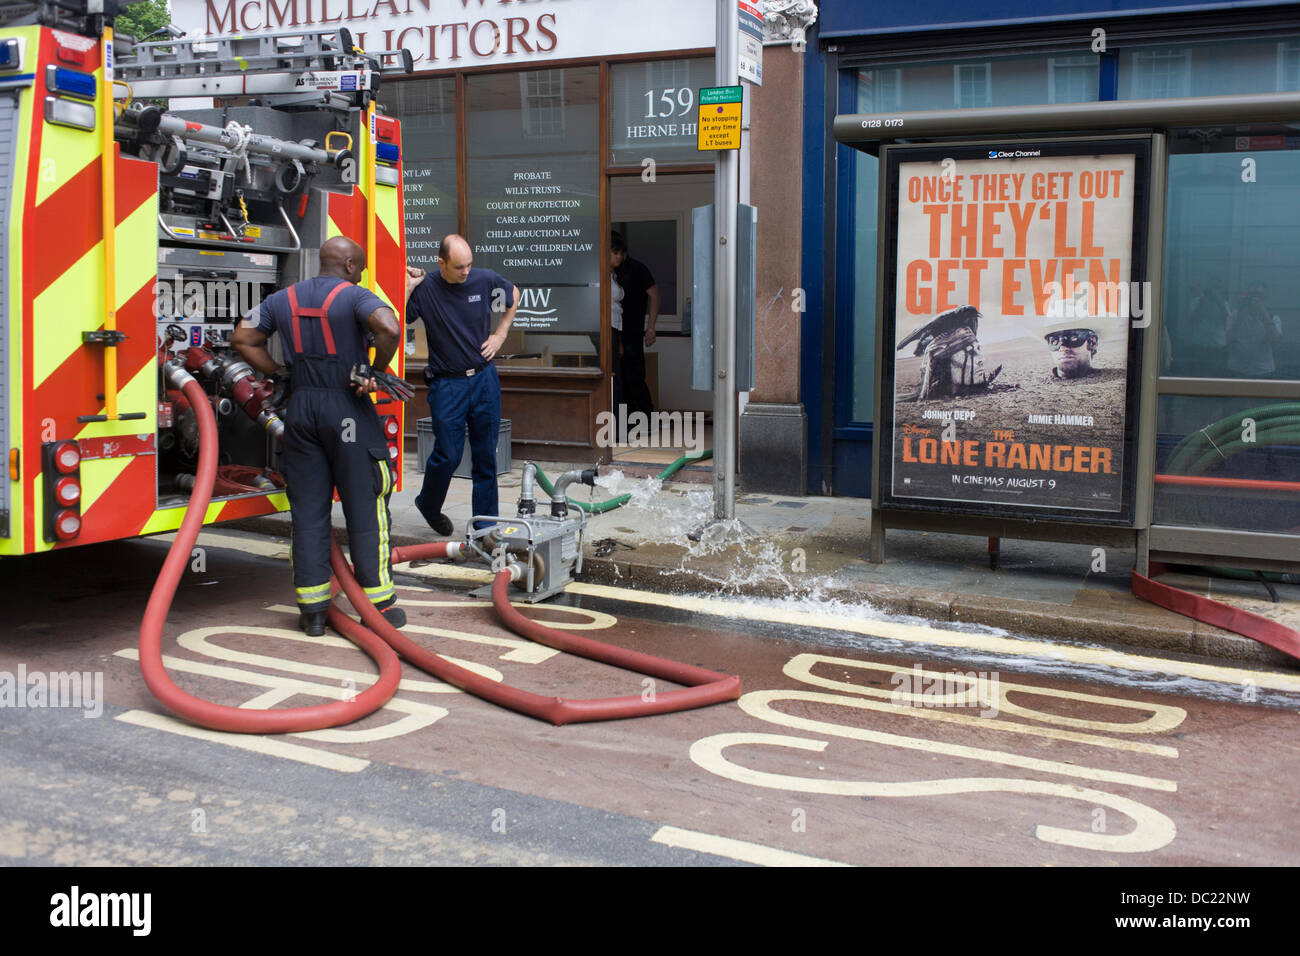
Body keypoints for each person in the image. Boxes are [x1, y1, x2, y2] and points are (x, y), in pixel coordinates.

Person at [232, 237, 404, 637]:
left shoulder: (282, 299)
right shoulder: (357, 296)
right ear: (348, 266)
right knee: (365, 505)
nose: (360, 274)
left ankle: (312, 611)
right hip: (347, 407)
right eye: (359, 268)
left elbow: (242, 338)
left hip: (301, 409)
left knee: (309, 511)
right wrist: (373, 370)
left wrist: (278, 372)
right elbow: (390, 328)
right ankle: (379, 605)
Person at [405, 234, 519, 535]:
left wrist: (501, 334)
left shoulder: (484, 280)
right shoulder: (427, 288)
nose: (466, 271)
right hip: (447, 385)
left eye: (469, 264)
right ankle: (428, 503)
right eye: (459, 267)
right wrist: (407, 286)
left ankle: (485, 527)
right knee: (449, 454)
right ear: (441, 262)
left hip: (484, 379)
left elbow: (513, 294)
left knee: (485, 454)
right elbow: (395, 317)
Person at [610, 232, 659, 420]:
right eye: (616, 252)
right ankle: (628, 420)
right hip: (615, 331)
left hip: (632, 330)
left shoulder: (637, 268)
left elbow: (655, 295)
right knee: (618, 378)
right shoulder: (608, 271)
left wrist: (651, 327)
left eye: (622, 253)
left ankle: (646, 417)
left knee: (634, 376)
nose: (620, 257)